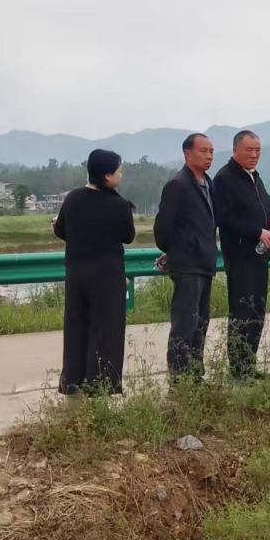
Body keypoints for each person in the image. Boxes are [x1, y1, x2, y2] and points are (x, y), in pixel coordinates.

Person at [52, 148, 136, 394]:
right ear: (106, 175)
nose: (121, 175)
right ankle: (101, 385)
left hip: (77, 274)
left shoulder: (73, 198)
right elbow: (128, 236)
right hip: (107, 276)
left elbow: (61, 230)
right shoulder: (118, 205)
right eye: (119, 171)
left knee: (76, 327)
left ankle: (72, 382)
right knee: (106, 330)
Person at [212, 129, 270, 379]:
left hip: (259, 256)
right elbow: (224, 218)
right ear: (235, 150)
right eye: (249, 150)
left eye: (258, 151)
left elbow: (268, 204)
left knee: (257, 312)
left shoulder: (254, 177)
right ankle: (239, 370)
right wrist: (256, 231)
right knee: (242, 312)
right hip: (240, 256)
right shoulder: (225, 178)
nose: (254, 155)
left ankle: (249, 365)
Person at [153, 133, 217, 380]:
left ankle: (195, 377)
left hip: (205, 263)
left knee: (200, 323)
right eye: (203, 151)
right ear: (187, 153)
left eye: (211, 151)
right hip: (188, 265)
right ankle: (180, 380)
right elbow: (163, 229)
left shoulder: (208, 183)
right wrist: (176, 250)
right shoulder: (178, 185)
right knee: (185, 325)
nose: (208, 156)